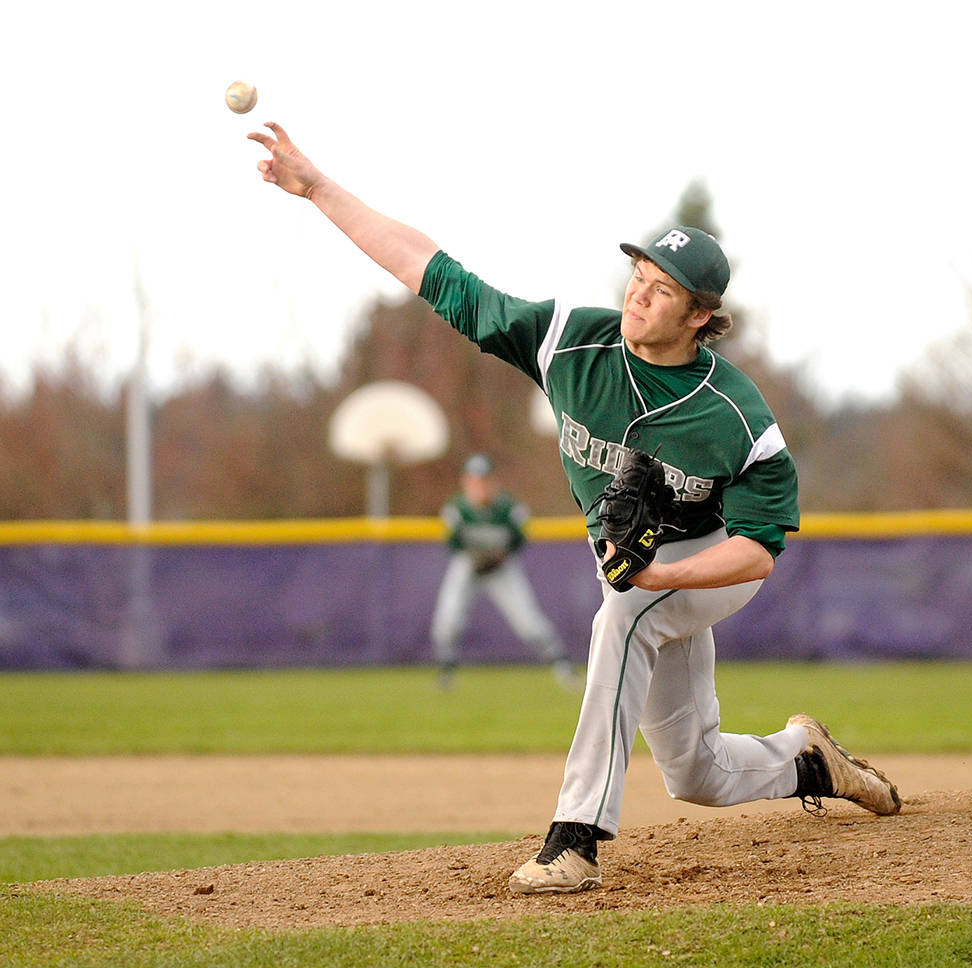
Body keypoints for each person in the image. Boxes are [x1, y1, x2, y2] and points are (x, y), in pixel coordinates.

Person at [248, 122, 901, 896]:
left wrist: (662, 578)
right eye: (639, 274)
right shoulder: (569, 344)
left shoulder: (736, 416)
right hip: (643, 571)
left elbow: (762, 548)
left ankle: (576, 839)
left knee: (623, 615)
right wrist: (319, 188)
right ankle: (808, 760)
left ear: (700, 315)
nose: (639, 293)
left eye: (662, 289)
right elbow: (434, 273)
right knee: (697, 772)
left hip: (717, 556)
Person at [432, 453, 574, 688]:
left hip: (501, 568)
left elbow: (518, 540)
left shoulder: (509, 509)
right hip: (469, 565)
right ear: (465, 482)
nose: (480, 486)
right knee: (448, 617)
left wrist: (498, 554)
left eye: (484, 480)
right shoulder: (456, 509)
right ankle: (445, 672)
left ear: (493, 481)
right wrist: (479, 554)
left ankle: (562, 666)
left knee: (528, 621)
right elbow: (454, 545)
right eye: (474, 480)